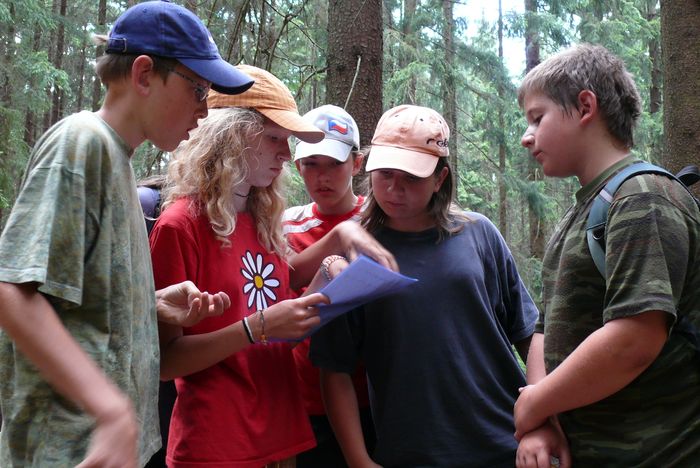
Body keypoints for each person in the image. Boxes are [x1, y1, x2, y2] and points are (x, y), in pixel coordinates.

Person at [0, 1, 247, 467]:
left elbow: (70, 305)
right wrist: (109, 410)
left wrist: (145, 306)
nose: (204, 110)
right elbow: (13, 292)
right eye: (198, 89)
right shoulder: (81, 141)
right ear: (144, 74)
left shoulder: (119, 162)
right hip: (65, 451)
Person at [150, 65, 396, 468]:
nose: (285, 154)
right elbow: (167, 361)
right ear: (232, 135)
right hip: (218, 444)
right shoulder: (180, 225)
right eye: (274, 138)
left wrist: (335, 250)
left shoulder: (261, 216)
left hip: (282, 436)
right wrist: (256, 328)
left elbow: (270, 295)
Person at [310, 104, 538, 467]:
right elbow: (334, 368)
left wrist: (539, 417)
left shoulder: (478, 233)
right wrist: (358, 460)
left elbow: (528, 331)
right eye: (385, 174)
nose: (394, 188)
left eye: (412, 177)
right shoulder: (356, 252)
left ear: (440, 178)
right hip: (412, 453)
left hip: (506, 442)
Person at [515, 43, 700, 467]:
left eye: (537, 118)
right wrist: (542, 418)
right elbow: (546, 327)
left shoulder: (643, 198)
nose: (527, 137)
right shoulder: (583, 211)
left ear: (585, 107)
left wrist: (533, 404)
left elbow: (634, 339)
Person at [282, 105, 375, 467]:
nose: (322, 177)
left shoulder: (379, 221)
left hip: (374, 397)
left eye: (334, 164)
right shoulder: (285, 226)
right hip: (302, 403)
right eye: (311, 164)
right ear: (297, 166)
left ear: (357, 163)